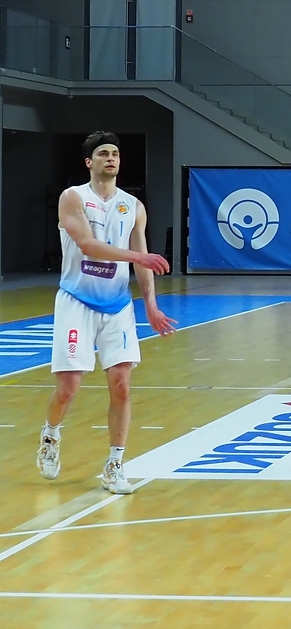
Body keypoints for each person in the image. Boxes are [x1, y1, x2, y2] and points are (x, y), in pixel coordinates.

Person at [37, 132, 176, 495]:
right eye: (103, 153)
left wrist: (151, 307)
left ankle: (115, 465)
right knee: (69, 386)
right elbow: (88, 246)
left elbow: (143, 265)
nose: (111, 158)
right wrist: (137, 256)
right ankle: (50, 435)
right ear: (89, 162)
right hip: (77, 301)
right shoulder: (73, 197)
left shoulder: (134, 206)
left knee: (122, 385)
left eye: (115, 153)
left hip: (117, 305)